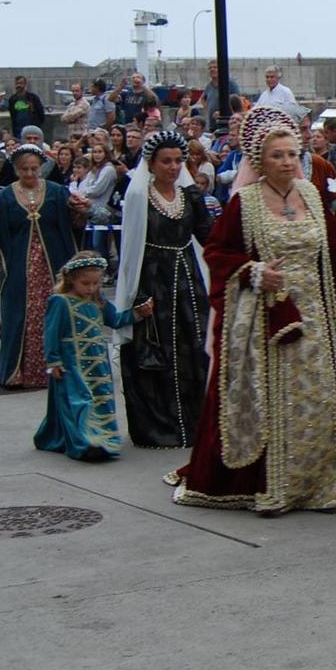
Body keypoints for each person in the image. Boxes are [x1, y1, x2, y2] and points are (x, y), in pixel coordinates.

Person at [172, 108, 336, 513]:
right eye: (277, 155)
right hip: (270, 314)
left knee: (317, 396)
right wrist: (254, 272)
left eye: (291, 154)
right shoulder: (244, 202)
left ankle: (318, 484)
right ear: (259, 161)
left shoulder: (314, 197)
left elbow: (331, 248)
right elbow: (218, 252)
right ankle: (275, 482)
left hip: (318, 314)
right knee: (275, 399)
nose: (286, 162)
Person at [114, 129, 213, 449]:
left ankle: (196, 422)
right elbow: (130, 248)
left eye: (177, 161)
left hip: (187, 280)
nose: (172, 167)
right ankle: (161, 425)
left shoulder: (191, 196)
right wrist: (138, 294)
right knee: (157, 352)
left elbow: (209, 238)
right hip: (153, 280)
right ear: (151, 164)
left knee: (193, 348)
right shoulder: (139, 197)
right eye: (165, 161)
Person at [36, 252, 154, 462]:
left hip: (98, 362)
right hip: (72, 363)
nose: (91, 288)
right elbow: (51, 333)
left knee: (100, 400)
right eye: (85, 283)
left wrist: (138, 314)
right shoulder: (60, 302)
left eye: (96, 283)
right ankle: (85, 444)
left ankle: (103, 440)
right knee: (80, 402)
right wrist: (52, 360)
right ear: (71, 279)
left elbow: (116, 320)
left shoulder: (98, 302)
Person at [0, 143, 78, 390]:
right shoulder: (4, 198)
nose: (29, 174)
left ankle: (58, 369)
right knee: (21, 316)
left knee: (54, 314)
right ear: (15, 170)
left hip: (53, 266)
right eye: (24, 169)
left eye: (34, 169)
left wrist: (82, 211)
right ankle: (19, 372)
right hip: (18, 268)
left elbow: (74, 225)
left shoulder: (57, 192)